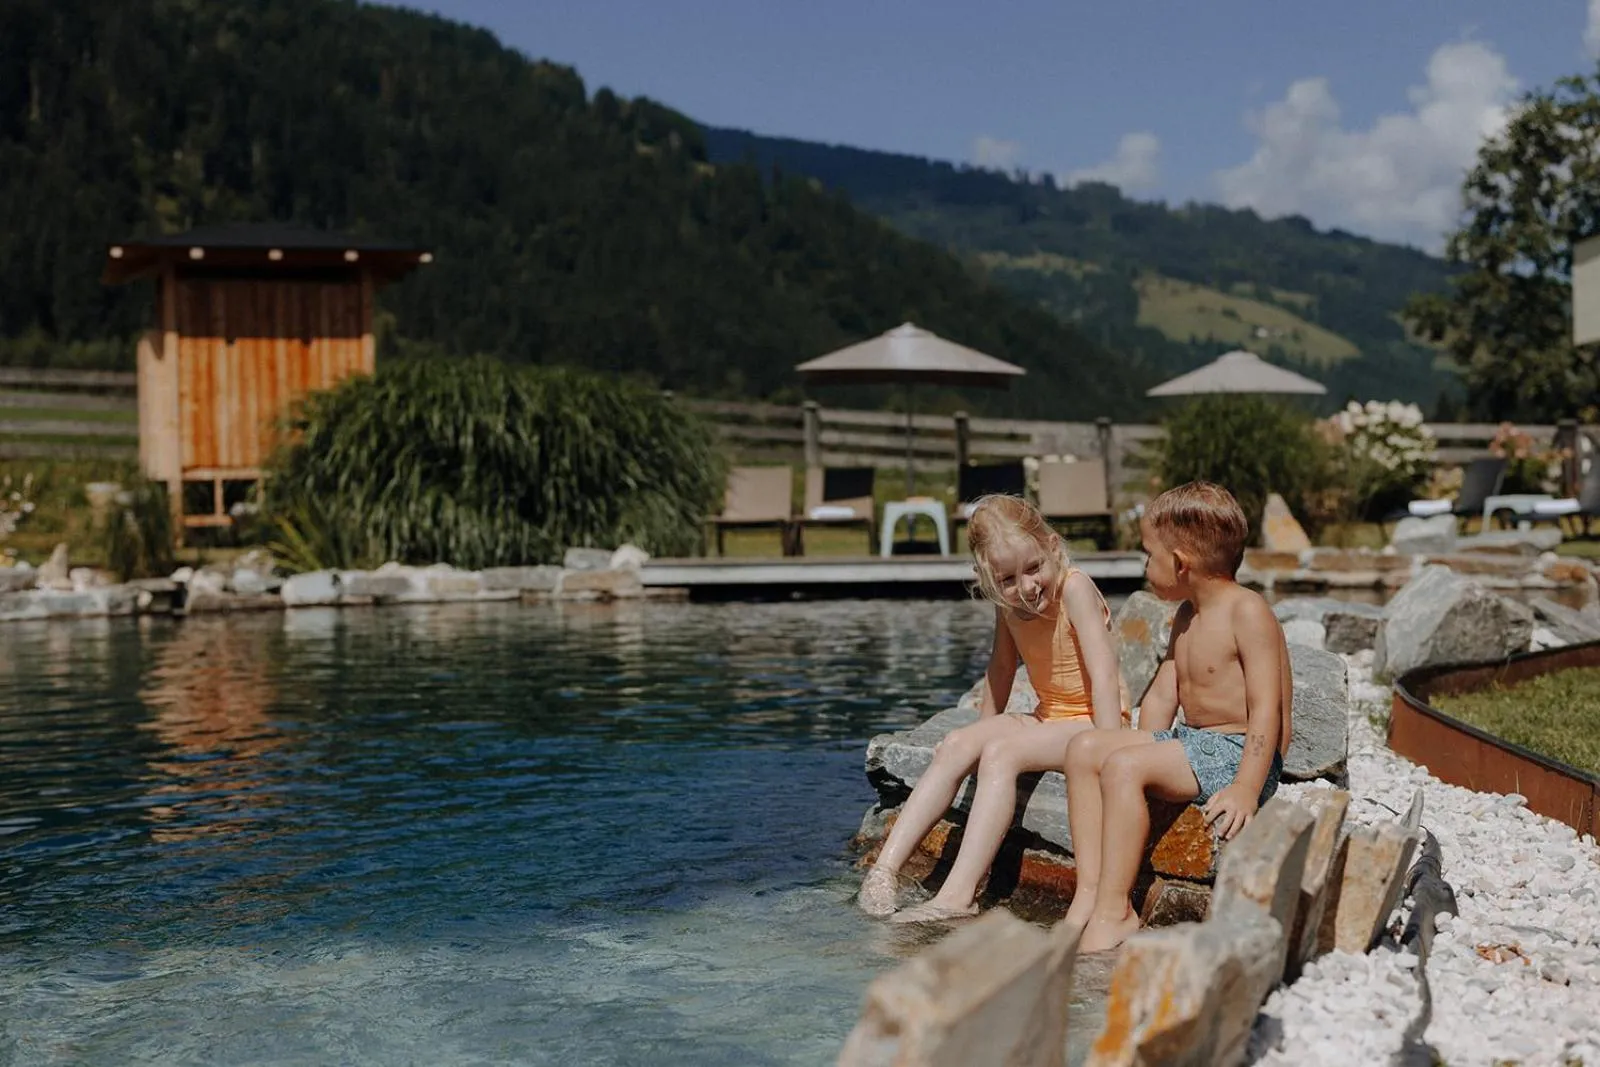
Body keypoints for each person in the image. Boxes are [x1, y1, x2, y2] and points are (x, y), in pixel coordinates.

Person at [857, 493, 1126, 923]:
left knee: (1004, 753)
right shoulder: (1011, 606)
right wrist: (982, 737)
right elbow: (1000, 670)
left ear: (1053, 547)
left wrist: (1110, 748)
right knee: (957, 742)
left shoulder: (1074, 588)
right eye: (1008, 579)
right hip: (1048, 716)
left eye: (1034, 568)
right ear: (988, 578)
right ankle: (886, 870)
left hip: (1091, 721)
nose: (1026, 587)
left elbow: (1105, 674)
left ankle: (957, 896)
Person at [1060, 480, 1292, 953]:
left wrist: (1248, 787)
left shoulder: (1248, 612)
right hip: (1192, 743)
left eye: (1148, 555)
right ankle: (1089, 892)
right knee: (1084, 749)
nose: (1144, 565)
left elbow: (1267, 707)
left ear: (1181, 563)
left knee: (1125, 768)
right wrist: (1143, 743)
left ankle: (1115, 911)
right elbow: (1166, 689)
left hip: (1236, 756)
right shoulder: (1187, 614)